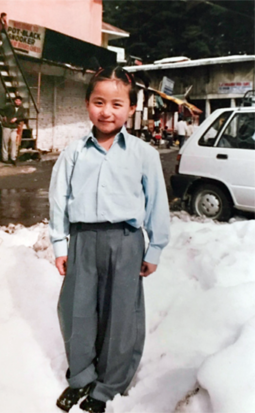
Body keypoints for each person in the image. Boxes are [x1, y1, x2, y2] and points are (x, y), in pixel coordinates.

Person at [49, 66, 170, 413]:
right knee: (76, 310)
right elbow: (59, 200)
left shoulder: (143, 154)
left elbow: (156, 203)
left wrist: (155, 247)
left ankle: (107, 386)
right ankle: (81, 376)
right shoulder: (73, 153)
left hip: (126, 239)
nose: (107, 111)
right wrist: (60, 245)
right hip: (83, 239)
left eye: (117, 104)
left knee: (122, 316)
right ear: (87, 103)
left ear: (131, 108)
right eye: (99, 102)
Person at [0, 96, 26, 165]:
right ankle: (5, 158)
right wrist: (4, 116)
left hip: (14, 127)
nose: (18, 102)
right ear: (14, 101)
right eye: (16, 100)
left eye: (19, 101)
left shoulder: (22, 109)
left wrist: (16, 119)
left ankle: (13, 158)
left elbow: (23, 117)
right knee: (5, 141)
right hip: (7, 126)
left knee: (13, 142)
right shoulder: (9, 106)